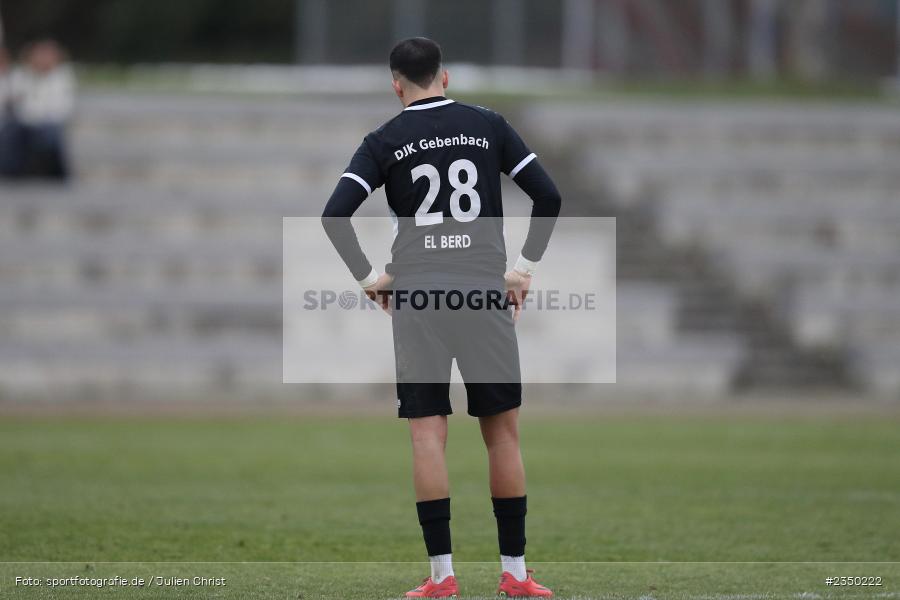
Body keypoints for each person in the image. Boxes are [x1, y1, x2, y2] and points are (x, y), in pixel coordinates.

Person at [322, 38, 560, 598]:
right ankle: (517, 576)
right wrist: (522, 270)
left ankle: (442, 578)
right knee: (503, 438)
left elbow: (335, 216)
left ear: (396, 85)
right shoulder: (487, 125)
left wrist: (368, 280)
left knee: (428, 439)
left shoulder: (382, 140)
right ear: (445, 77)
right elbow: (547, 196)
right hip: (482, 292)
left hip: (420, 298)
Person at [6, 39, 75, 179]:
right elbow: (13, 100)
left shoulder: (62, 78)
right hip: (24, 123)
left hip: (48, 123)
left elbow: (60, 109)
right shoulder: (22, 75)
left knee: (49, 133)